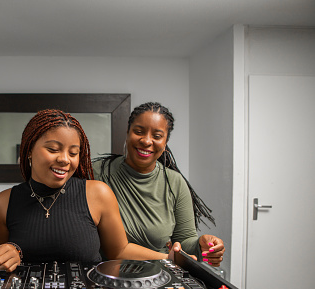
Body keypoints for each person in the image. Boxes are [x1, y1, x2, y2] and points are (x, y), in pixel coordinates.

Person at [0, 109, 191, 272]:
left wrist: (168, 258)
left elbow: (118, 250)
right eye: (53, 149)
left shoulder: (98, 193)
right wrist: (9, 255)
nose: (64, 159)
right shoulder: (4, 202)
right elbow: (5, 259)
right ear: (29, 150)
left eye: (73, 153)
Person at [92, 102, 225, 266]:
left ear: (165, 142)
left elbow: (183, 242)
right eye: (139, 132)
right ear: (127, 133)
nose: (146, 141)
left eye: (157, 136)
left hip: (162, 276)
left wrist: (200, 245)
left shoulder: (175, 183)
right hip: (105, 276)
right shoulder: (96, 173)